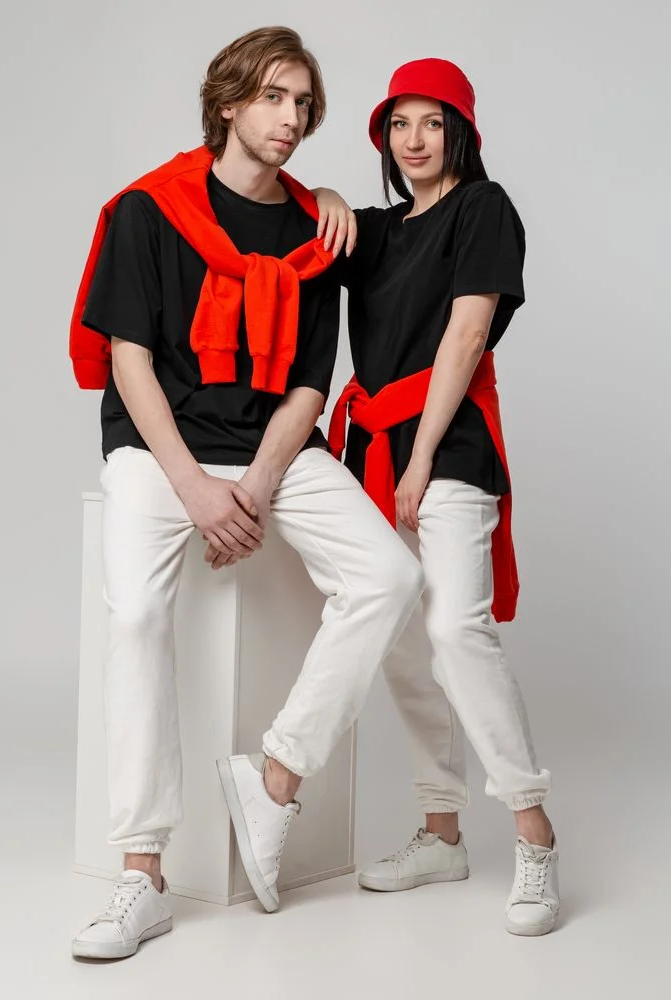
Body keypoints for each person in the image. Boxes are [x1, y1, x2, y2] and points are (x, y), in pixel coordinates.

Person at [68, 27, 423, 959]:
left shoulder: (316, 232)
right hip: (160, 449)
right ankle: (142, 874)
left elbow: (311, 383)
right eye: (273, 96)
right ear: (226, 103)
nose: (291, 117)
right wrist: (194, 489)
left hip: (271, 448)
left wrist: (257, 487)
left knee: (389, 576)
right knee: (136, 615)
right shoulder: (150, 211)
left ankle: (275, 777)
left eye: (303, 103)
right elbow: (128, 360)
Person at [323, 58, 560, 936]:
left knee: (458, 628)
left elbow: (467, 334)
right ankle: (442, 833)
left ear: (461, 131)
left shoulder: (483, 209)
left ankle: (534, 834)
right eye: (398, 124)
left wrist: (420, 457)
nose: (413, 139)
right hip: (370, 452)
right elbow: (307, 221)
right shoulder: (378, 231)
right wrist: (323, 192)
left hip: (446, 446)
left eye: (432, 122)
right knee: (402, 646)